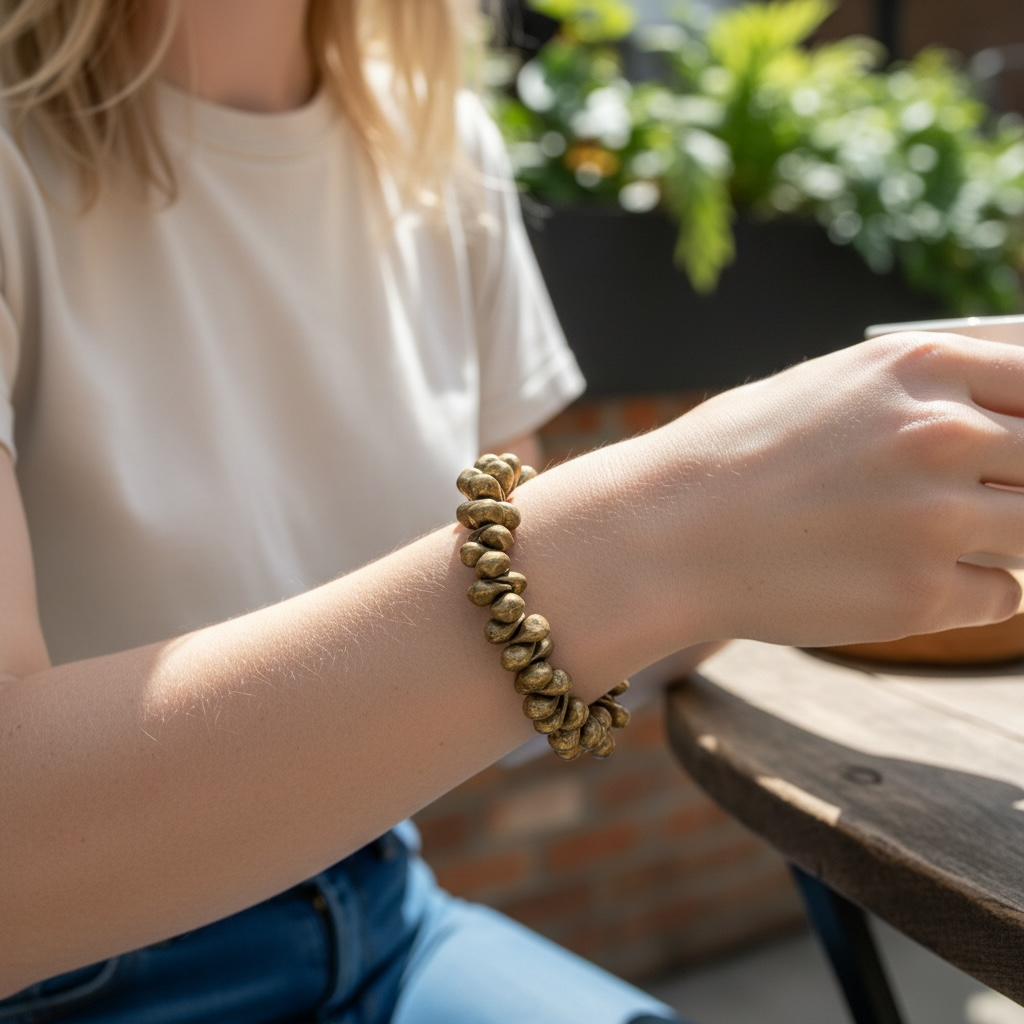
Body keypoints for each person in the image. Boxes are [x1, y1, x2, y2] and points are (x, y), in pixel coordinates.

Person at [2, 1, 1024, 1021]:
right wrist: (665, 526)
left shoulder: (434, 146)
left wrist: (782, 529)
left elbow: (522, 662)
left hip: (385, 910)